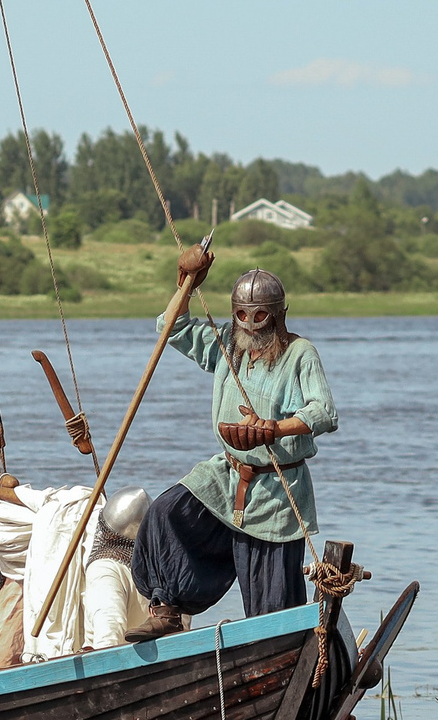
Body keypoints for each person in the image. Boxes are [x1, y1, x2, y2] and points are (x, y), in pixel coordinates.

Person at [131, 252, 337, 639]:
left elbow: (324, 412)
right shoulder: (228, 342)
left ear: (279, 314)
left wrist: (274, 429)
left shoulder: (300, 354)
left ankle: (285, 651)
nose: (250, 325)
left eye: (260, 316)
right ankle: (167, 609)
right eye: (242, 314)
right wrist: (186, 283)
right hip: (226, 476)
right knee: (167, 513)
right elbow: (171, 328)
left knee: (271, 607)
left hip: (277, 491)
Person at [87, 486, 154, 650]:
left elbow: (108, 630)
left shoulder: (104, 568)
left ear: (104, 527)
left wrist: (103, 660)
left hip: (125, 660)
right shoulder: (164, 564)